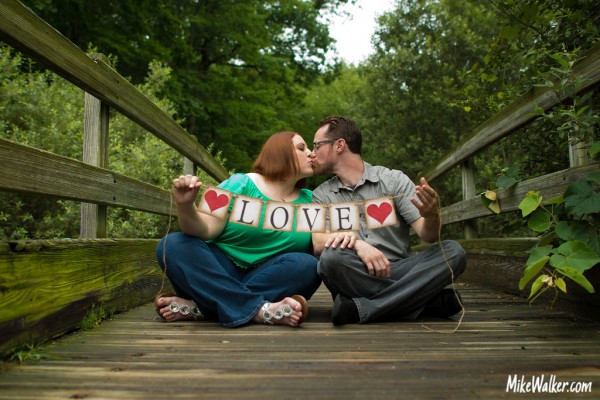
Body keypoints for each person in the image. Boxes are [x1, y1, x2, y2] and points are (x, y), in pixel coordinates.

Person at [309, 116, 467, 325]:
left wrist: (431, 215)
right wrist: (359, 244)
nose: (312, 153)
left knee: (454, 252)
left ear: (339, 145)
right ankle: (424, 303)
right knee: (330, 260)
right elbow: (319, 244)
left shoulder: (393, 180)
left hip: (401, 270)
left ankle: (361, 309)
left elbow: (428, 235)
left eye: (316, 146)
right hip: (356, 272)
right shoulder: (320, 195)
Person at [155, 131, 321, 328]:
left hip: (269, 277)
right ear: (280, 153)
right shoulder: (238, 183)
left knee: (308, 265)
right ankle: (260, 311)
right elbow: (204, 230)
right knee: (172, 244)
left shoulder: (312, 200)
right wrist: (185, 206)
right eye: (302, 148)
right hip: (217, 270)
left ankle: (204, 307)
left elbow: (322, 245)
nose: (311, 153)